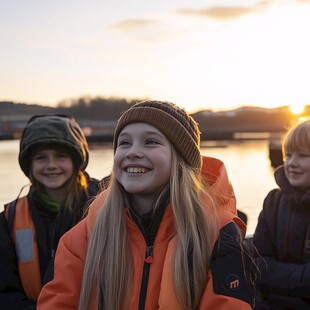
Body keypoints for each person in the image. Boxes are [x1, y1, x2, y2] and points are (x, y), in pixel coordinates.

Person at [38, 100, 256, 309]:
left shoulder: (218, 234)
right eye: (124, 143)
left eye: (150, 141)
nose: (132, 152)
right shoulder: (84, 236)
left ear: (181, 159)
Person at [0, 114, 102, 310]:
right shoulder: (8, 220)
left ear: (76, 160)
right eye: (41, 158)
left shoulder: (105, 206)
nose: (51, 165)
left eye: (61, 156)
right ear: (29, 164)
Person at [253, 119, 310, 309]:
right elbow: (258, 266)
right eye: (289, 155)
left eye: (303, 156)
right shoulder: (273, 202)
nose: (292, 163)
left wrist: (277, 275)